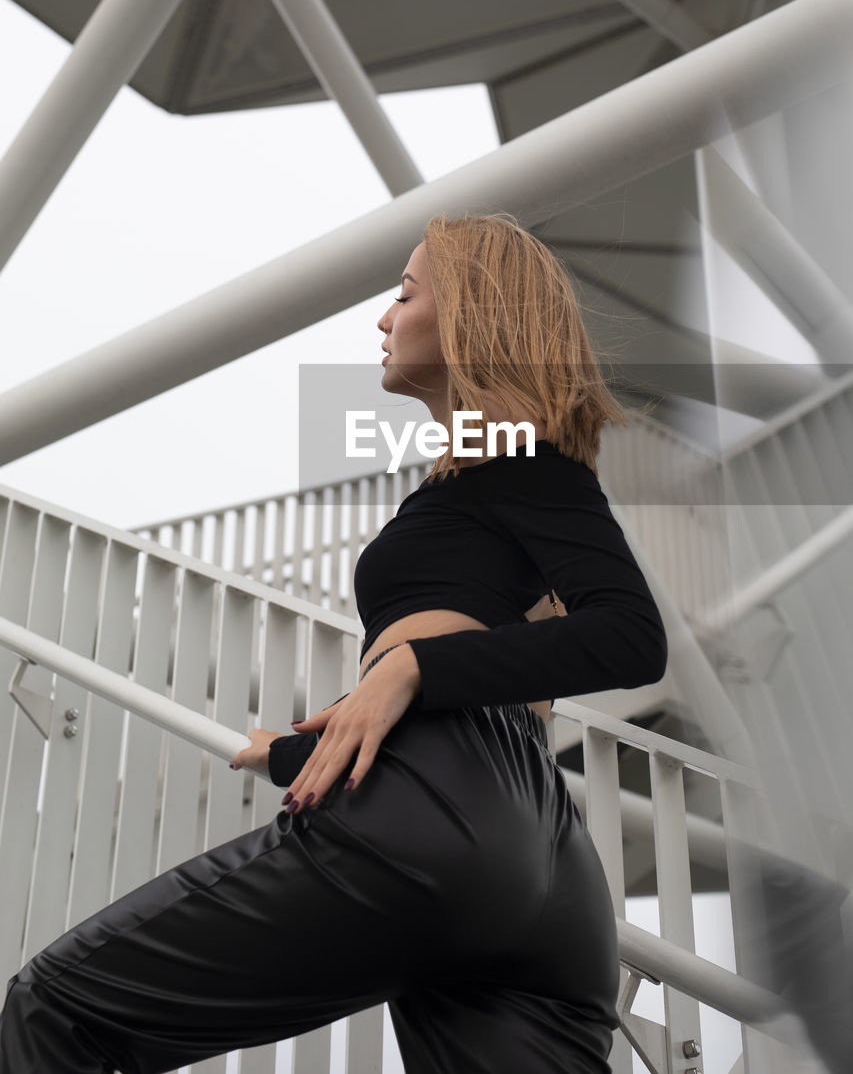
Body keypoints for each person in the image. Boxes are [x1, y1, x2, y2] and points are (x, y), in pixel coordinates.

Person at [0, 212, 667, 1073]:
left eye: (404, 292)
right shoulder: (491, 479)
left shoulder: (523, 461)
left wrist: (411, 667)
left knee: (55, 1009)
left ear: (469, 311)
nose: (383, 319)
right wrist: (297, 748)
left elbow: (627, 638)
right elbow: (489, 684)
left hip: (446, 824)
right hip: (547, 874)